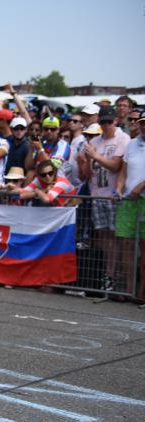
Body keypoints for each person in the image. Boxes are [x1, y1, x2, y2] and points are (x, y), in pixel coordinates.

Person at [79, 106, 130, 293]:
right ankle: (109, 275)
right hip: (97, 194)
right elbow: (86, 174)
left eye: (109, 122)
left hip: (114, 196)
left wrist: (95, 156)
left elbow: (115, 166)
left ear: (115, 121)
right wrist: (86, 159)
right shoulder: (95, 140)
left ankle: (116, 277)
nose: (106, 125)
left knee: (117, 237)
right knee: (104, 237)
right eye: (102, 122)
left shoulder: (123, 138)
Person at [115, 113, 145, 299]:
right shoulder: (131, 143)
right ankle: (128, 289)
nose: (143, 126)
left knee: (144, 246)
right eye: (142, 123)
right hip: (128, 201)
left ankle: (141, 291)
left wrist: (140, 187)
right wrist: (119, 188)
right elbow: (123, 173)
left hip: (143, 200)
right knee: (125, 243)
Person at [11, 159, 75, 206]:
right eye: (43, 175)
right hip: (58, 208)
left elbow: (47, 199)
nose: (47, 177)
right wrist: (9, 189)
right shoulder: (38, 180)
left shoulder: (61, 182)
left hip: (69, 208)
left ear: (55, 171)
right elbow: (22, 192)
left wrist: (38, 191)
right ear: (39, 176)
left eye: (50, 173)